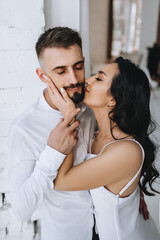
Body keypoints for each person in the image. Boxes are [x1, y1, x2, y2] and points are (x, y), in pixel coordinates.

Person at [8, 27, 148, 240]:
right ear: (42, 75)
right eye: (61, 71)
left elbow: (121, 146)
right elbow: (20, 211)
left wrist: (130, 189)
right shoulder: (25, 128)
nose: (75, 79)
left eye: (79, 66)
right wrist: (53, 153)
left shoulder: (92, 108)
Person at [46, 57, 160, 240]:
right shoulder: (95, 133)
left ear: (114, 100)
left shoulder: (126, 151)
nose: (87, 80)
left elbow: (61, 182)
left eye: (98, 78)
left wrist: (68, 114)